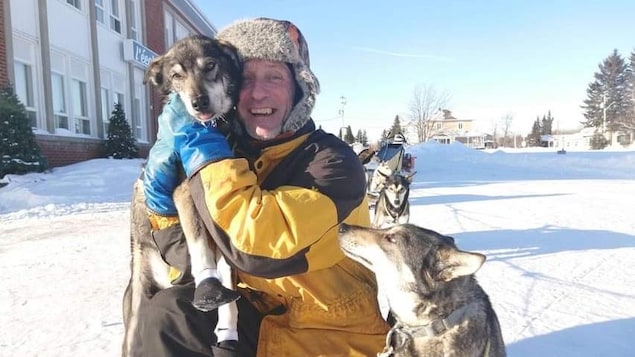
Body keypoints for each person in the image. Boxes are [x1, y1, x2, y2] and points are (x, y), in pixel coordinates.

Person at [140, 18, 390, 356]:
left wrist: (208, 157)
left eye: (274, 77)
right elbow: (189, 266)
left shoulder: (333, 164)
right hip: (256, 321)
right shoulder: (234, 153)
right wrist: (164, 207)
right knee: (170, 313)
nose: (258, 93)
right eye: (246, 79)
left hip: (330, 337)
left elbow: (257, 251)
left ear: (300, 88)